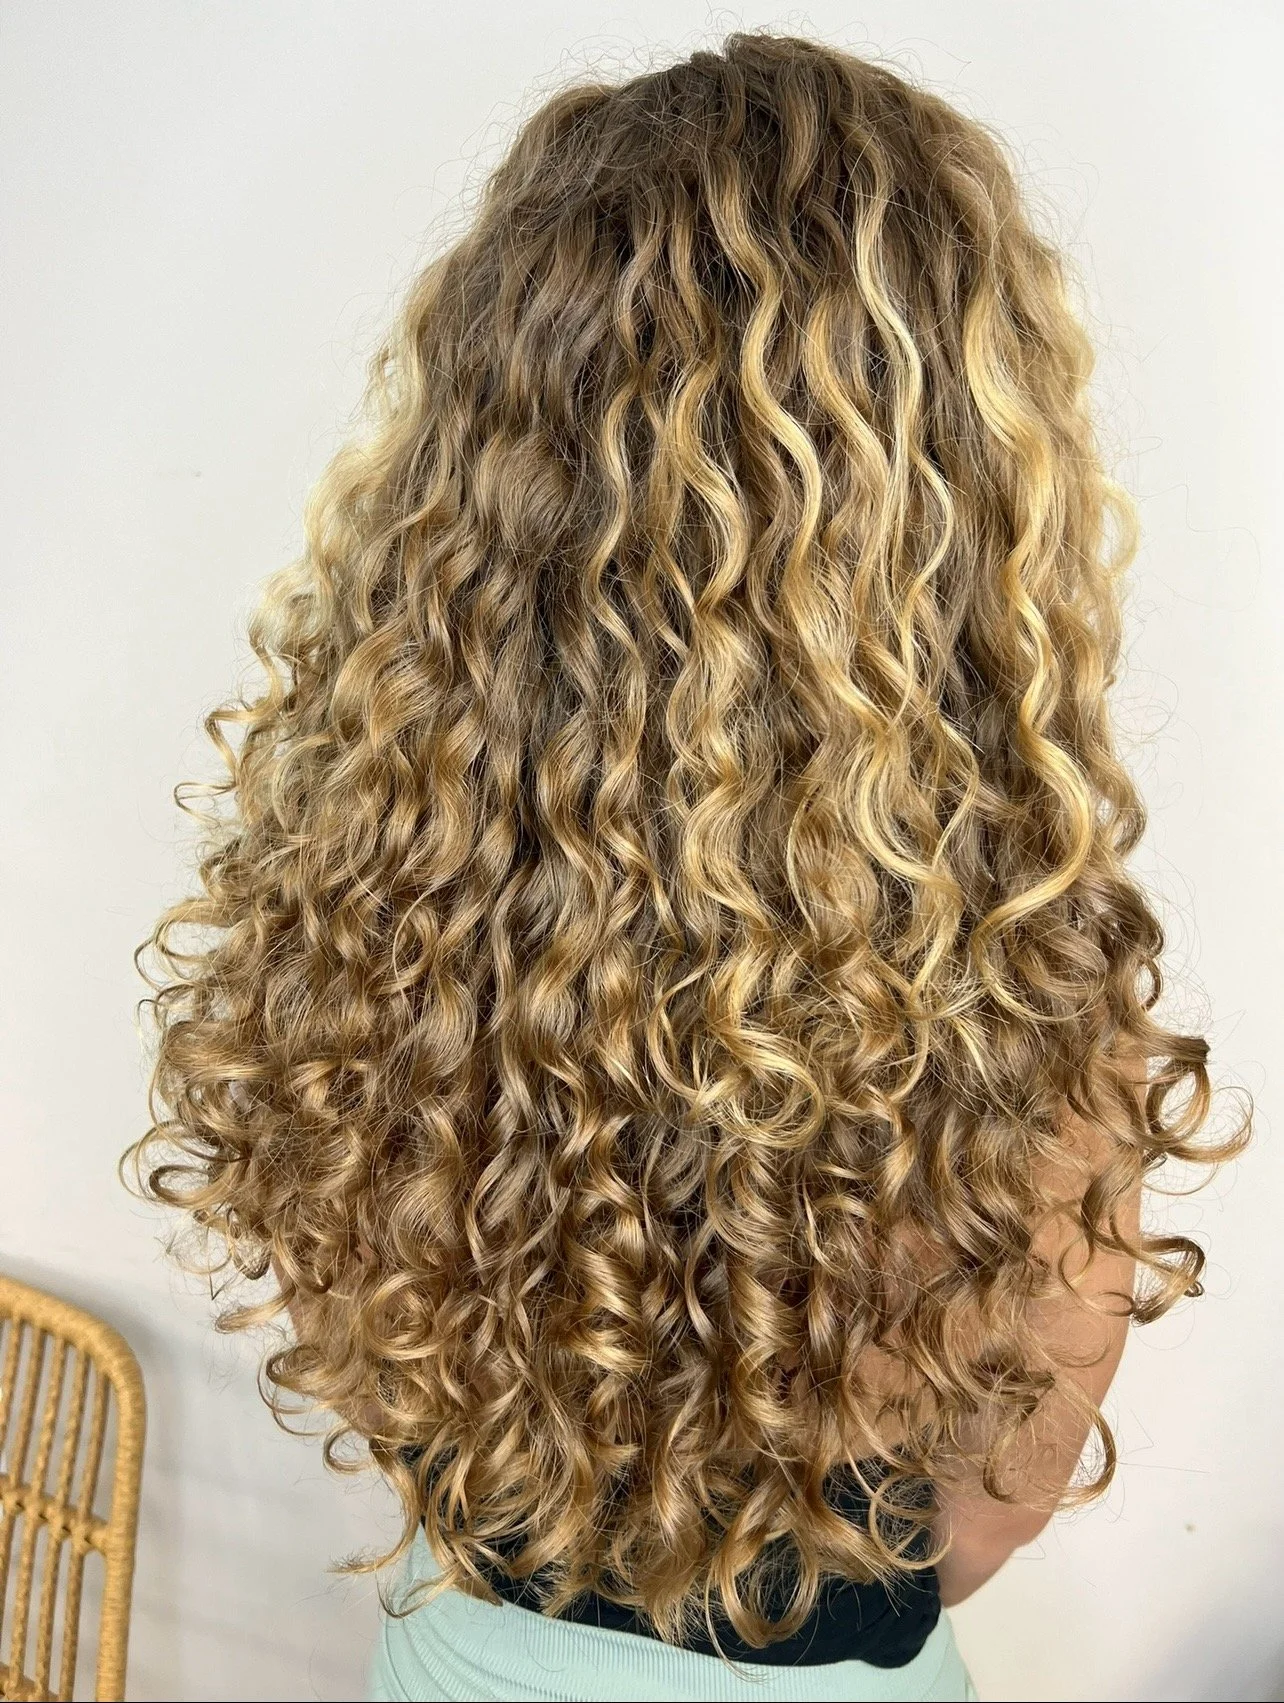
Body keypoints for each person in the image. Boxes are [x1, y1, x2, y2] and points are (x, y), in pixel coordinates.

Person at [128, 31, 1247, 1703]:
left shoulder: (370, 909)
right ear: (958, 498)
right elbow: (985, 1515)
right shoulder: (1036, 1013)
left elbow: (366, 1324)